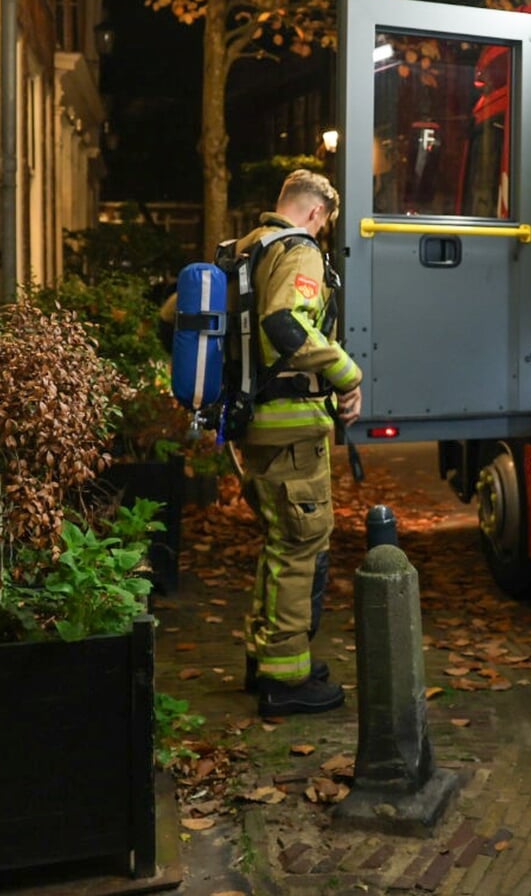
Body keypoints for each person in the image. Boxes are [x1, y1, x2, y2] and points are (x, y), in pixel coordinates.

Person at [235, 169, 362, 717]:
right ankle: (286, 682)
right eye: (326, 224)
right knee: (300, 547)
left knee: (277, 542)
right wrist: (346, 374)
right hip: (290, 426)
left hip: (252, 422)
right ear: (316, 213)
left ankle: (265, 657)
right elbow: (284, 323)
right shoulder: (300, 250)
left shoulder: (245, 250)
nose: (325, 234)